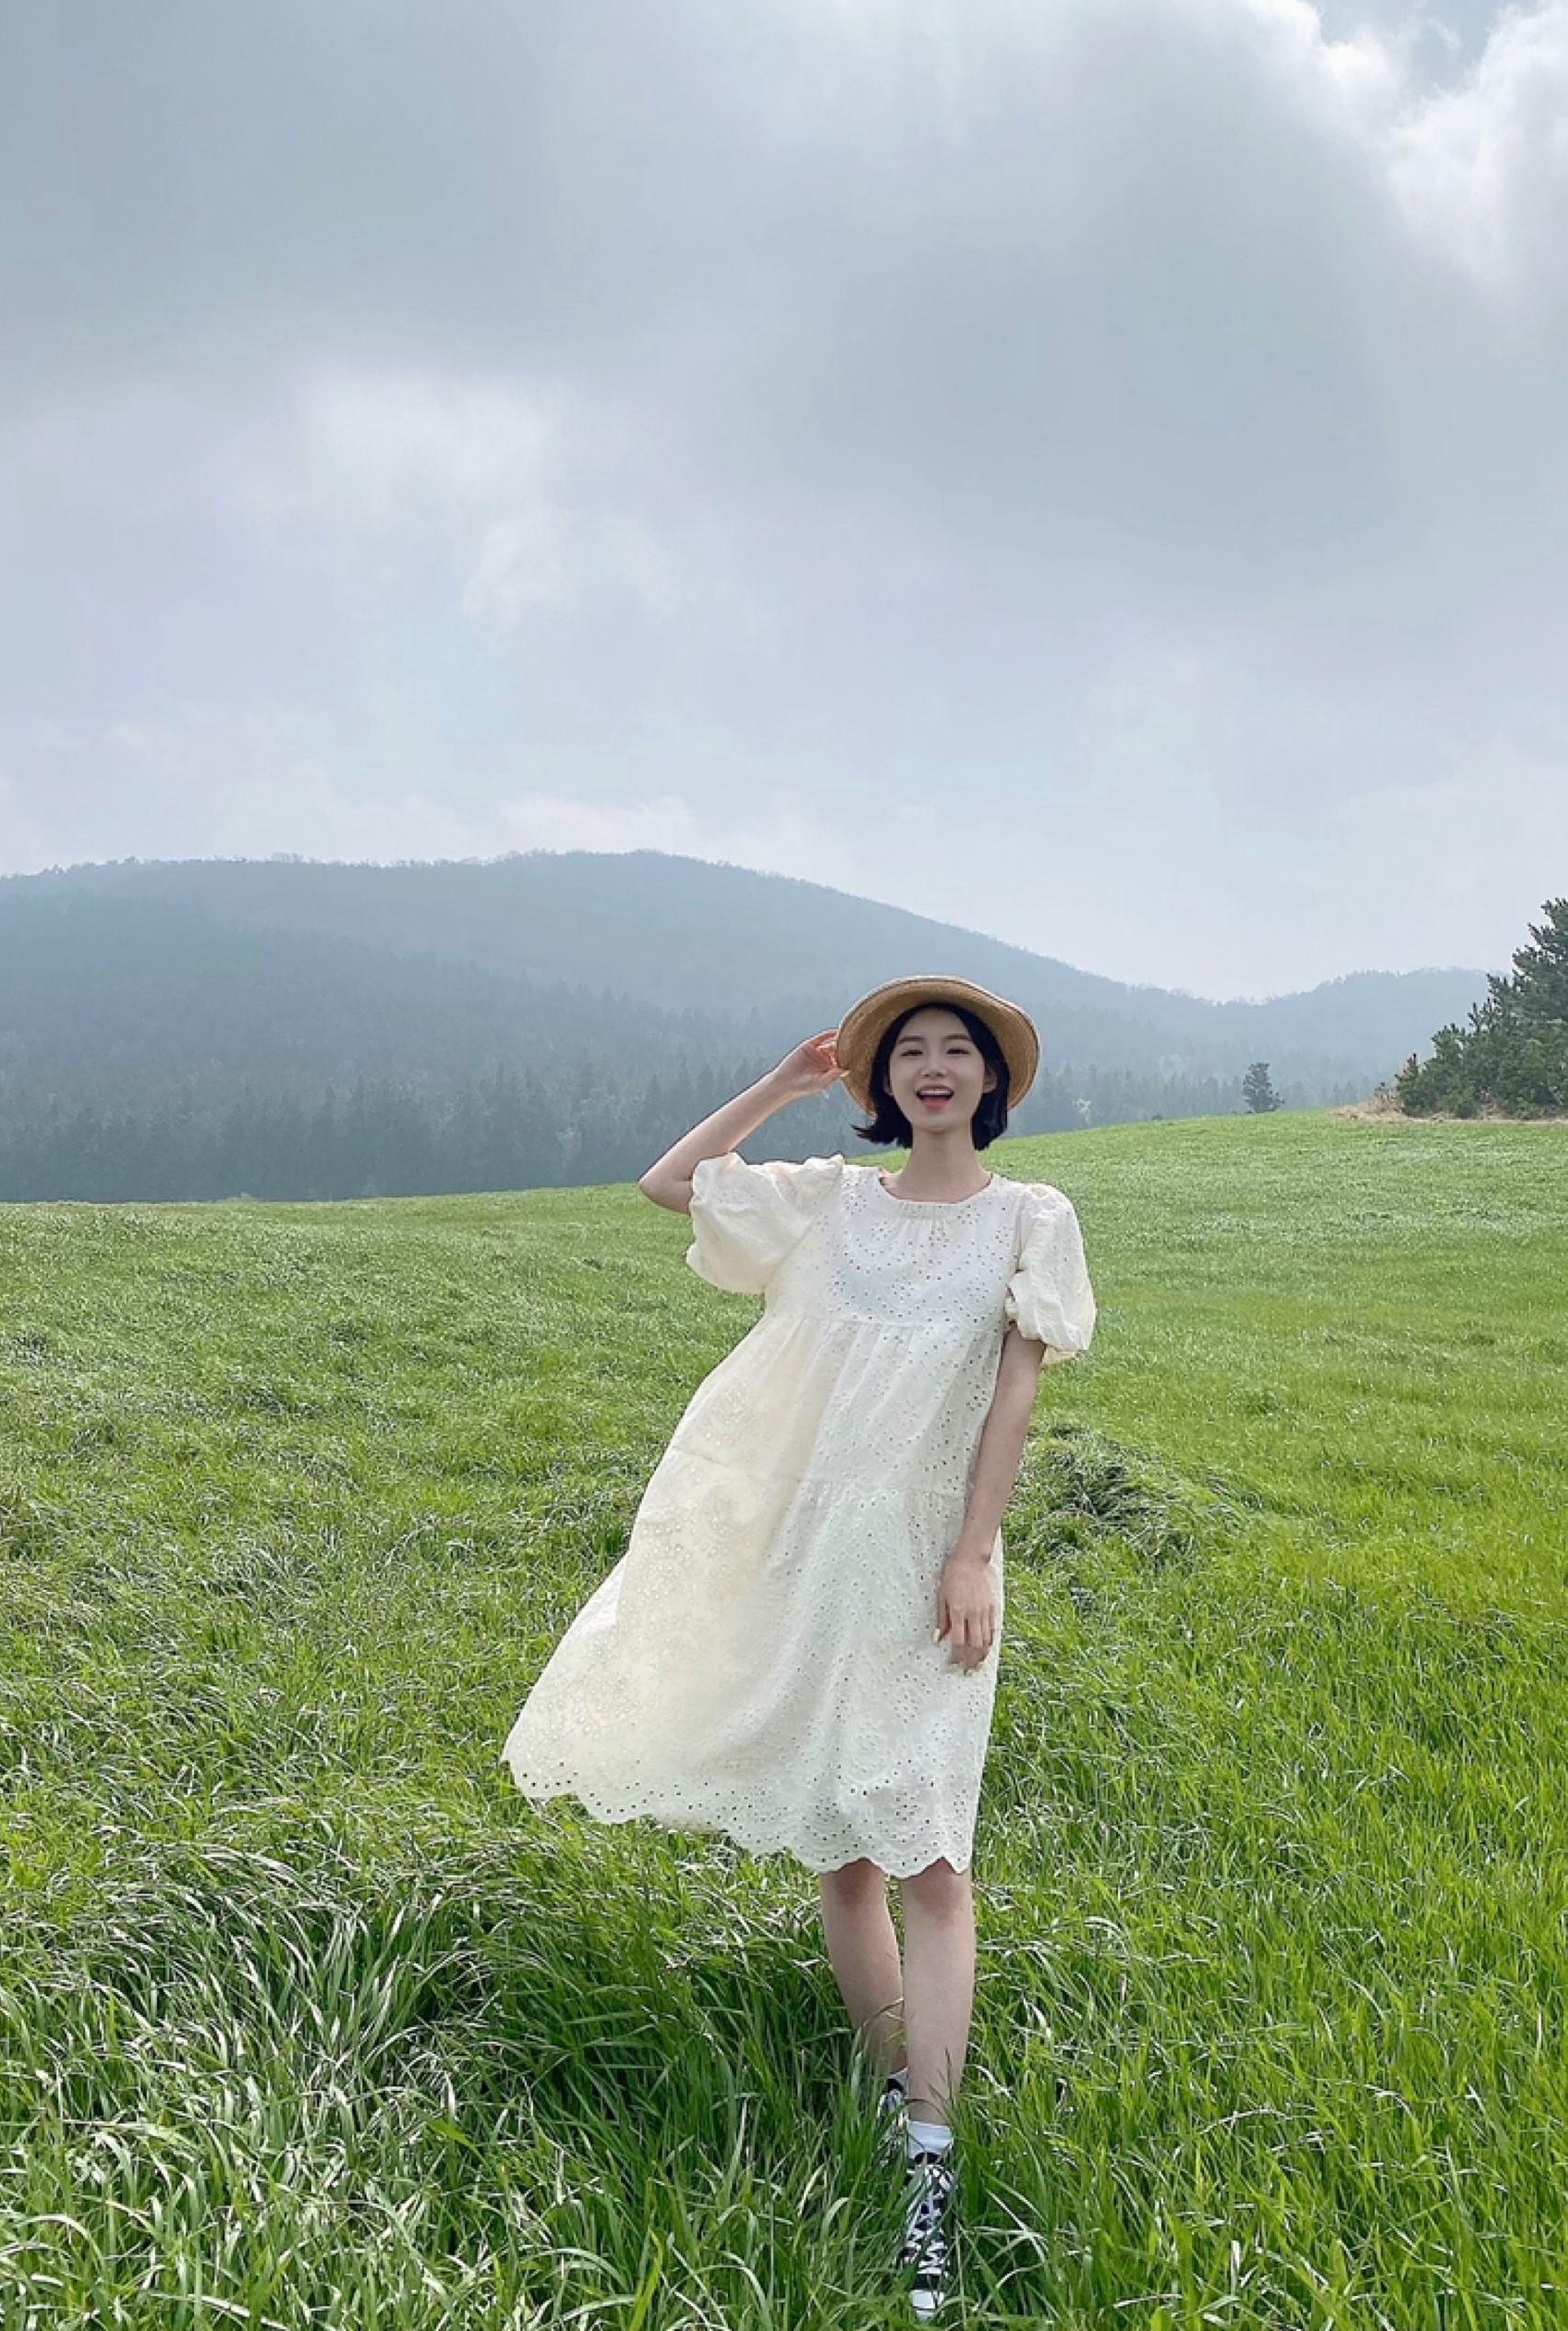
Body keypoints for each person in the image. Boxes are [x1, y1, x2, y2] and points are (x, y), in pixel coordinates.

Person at [500, 973, 1097, 2318]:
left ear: (991, 1082)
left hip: (928, 1571)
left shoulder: (1031, 1219)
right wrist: (780, 1083)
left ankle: (933, 2154)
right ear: (878, 1083)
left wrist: (975, 1552)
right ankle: (892, 2090)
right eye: (909, 1052)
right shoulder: (826, 1202)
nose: (933, 1068)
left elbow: (1013, 1399)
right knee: (844, 1849)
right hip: (803, 1552)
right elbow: (669, 1184)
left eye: (957, 1051)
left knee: (931, 1852)